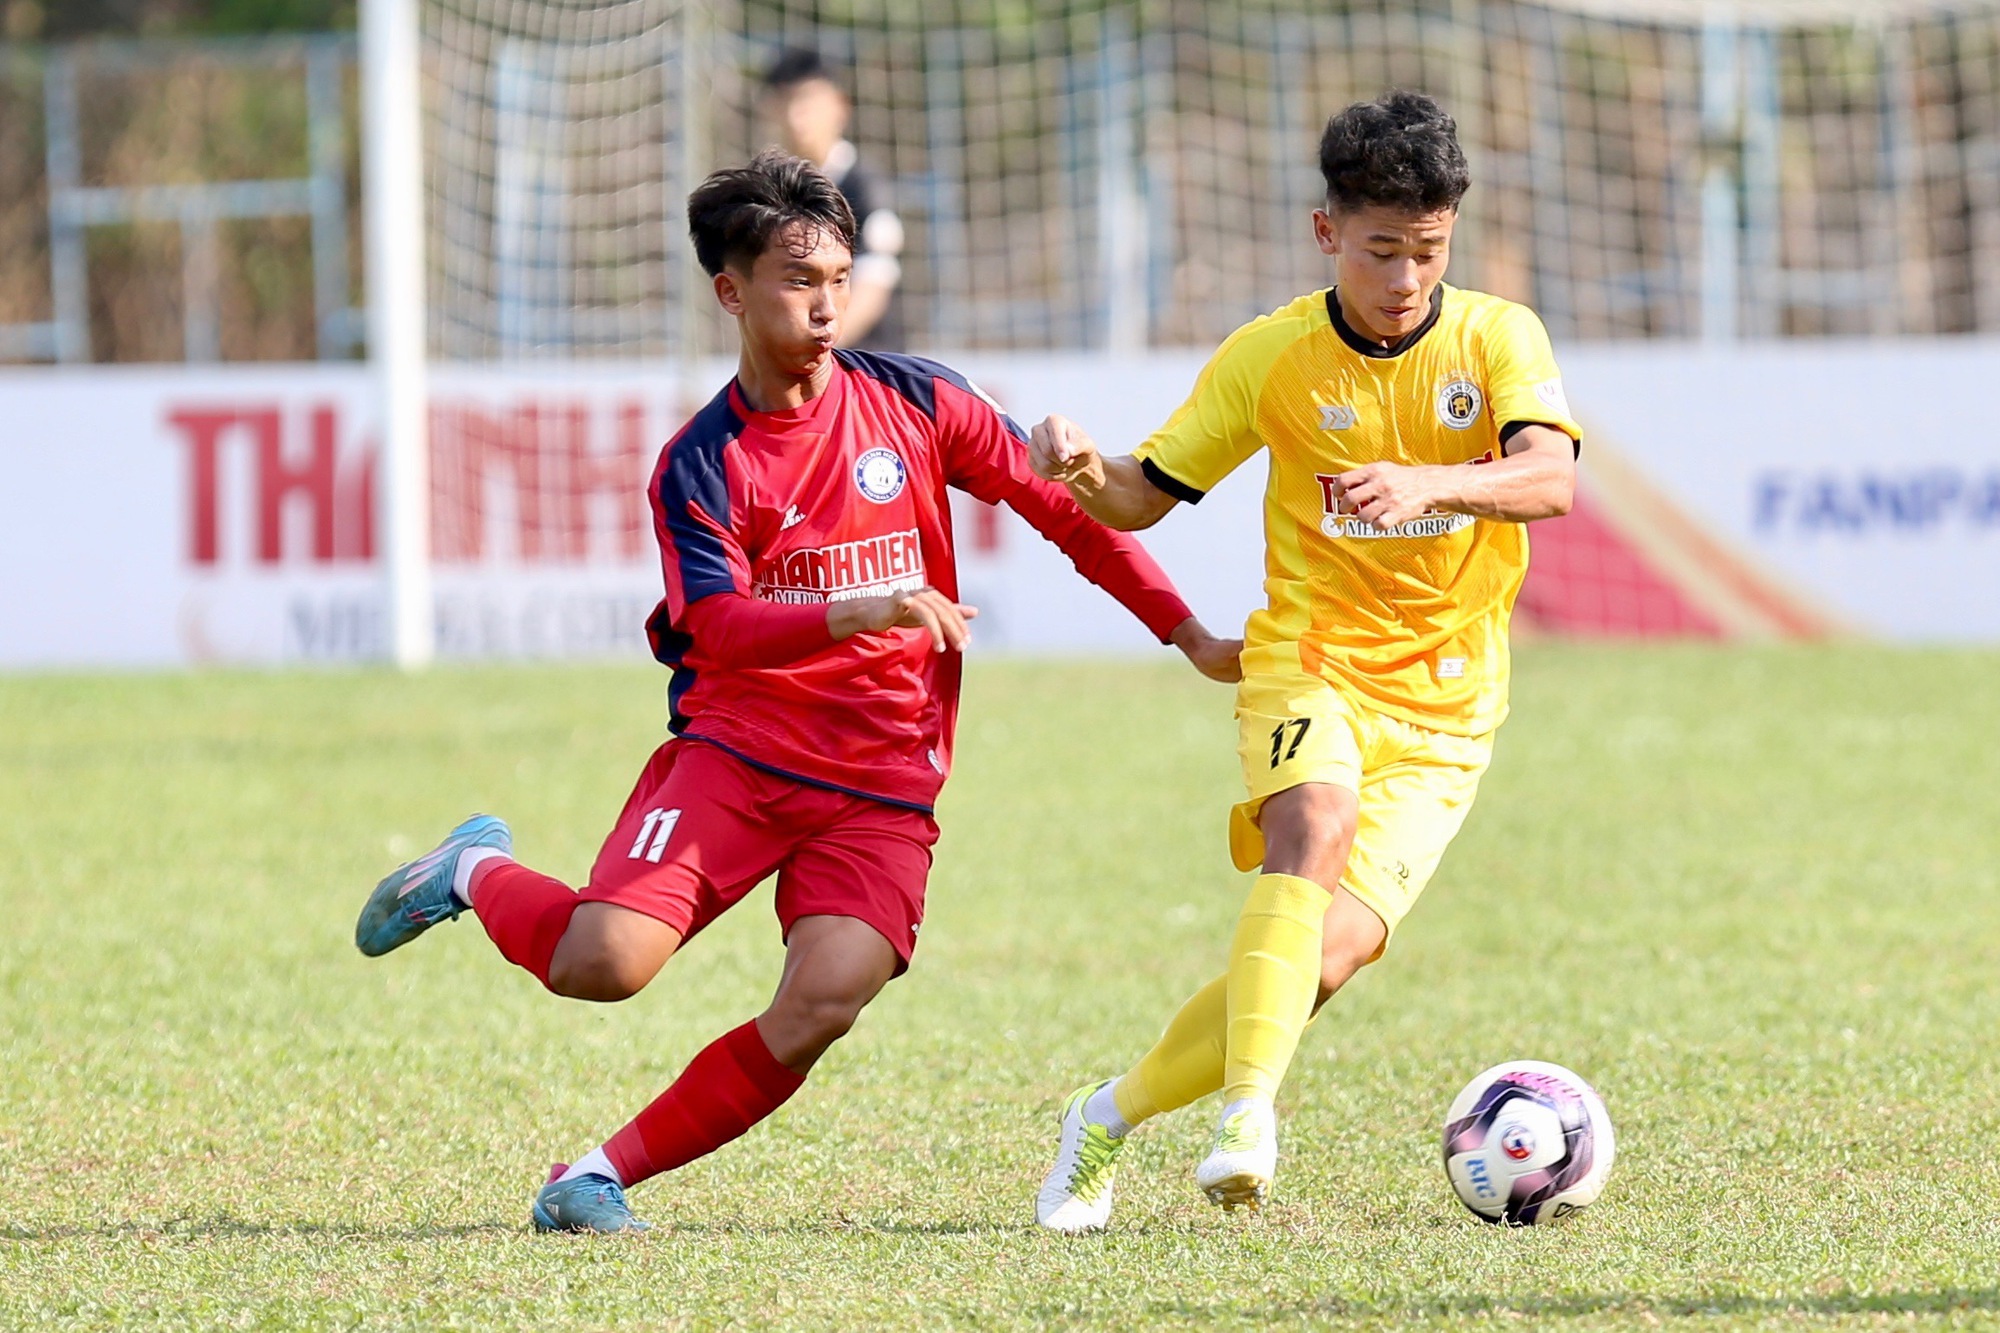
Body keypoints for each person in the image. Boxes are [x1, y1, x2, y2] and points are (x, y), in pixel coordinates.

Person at [353, 149, 1240, 1234]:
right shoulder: (701, 460)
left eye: (837, 277)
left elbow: (1063, 511)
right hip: (737, 754)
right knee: (601, 964)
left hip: (881, 780)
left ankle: (594, 1175)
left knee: (824, 999)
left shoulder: (915, 401)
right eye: (796, 281)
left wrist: (1186, 631)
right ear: (731, 292)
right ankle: (473, 867)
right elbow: (715, 626)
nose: (826, 306)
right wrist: (855, 613)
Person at [1028, 90, 1582, 1231]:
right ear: (1327, 233)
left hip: (1449, 706)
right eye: (1381, 250)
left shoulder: (1497, 336)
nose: (1404, 278)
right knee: (1309, 829)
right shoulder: (1271, 357)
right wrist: (1085, 468)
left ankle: (1104, 1117)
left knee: (1320, 963)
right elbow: (1144, 495)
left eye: (1427, 251)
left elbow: (1548, 482)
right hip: (1309, 658)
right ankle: (1248, 1116)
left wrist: (1433, 480)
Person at [761, 49, 905, 350]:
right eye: (785, 101)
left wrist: (813, 348)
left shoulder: (863, 188)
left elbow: (873, 284)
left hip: (862, 368)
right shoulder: (767, 189)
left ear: (840, 107)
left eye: (807, 101)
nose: (795, 115)